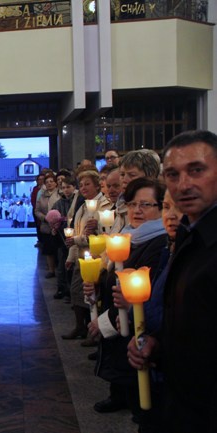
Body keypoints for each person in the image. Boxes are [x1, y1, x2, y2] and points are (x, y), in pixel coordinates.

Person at [128, 130, 217, 433]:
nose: (183, 185)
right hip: (178, 395)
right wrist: (159, 344)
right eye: (172, 174)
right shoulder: (187, 235)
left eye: (197, 170)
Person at [85, 178, 167, 423]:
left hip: (138, 331)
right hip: (121, 324)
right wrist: (97, 283)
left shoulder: (158, 242)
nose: (137, 210)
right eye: (132, 204)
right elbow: (114, 279)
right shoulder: (129, 236)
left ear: (162, 207)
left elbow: (140, 294)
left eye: (145, 204)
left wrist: (104, 322)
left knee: (145, 405)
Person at [62, 170, 111, 340]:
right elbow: (77, 230)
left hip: (97, 255)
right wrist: (71, 256)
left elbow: (101, 233)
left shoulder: (104, 205)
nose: (83, 188)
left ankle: (94, 332)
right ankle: (81, 327)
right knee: (77, 292)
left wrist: (78, 238)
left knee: (92, 295)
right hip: (82, 255)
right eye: (81, 185)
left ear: (97, 185)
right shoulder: (83, 206)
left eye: (87, 184)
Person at [35, 172, 60, 278]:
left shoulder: (60, 194)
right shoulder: (42, 196)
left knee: (58, 249)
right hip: (46, 225)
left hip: (59, 226)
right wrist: (44, 218)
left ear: (55, 183)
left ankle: (60, 269)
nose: (49, 184)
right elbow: (37, 210)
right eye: (47, 182)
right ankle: (51, 269)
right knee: (49, 249)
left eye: (51, 181)